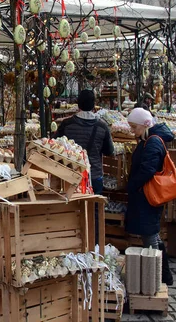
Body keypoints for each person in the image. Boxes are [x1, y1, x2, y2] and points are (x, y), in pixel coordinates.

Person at [55, 90, 114, 245]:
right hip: (94, 176)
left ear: (77, 104)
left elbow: (55, 145)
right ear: (94, 105)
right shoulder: (102, 127)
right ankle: (94, 245)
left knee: (72, 209)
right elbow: (110, 151)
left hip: (69, 175)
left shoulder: (66, 125)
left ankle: (73, 245)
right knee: (94, 211)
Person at [125, 107, 174, 286]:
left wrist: (132, 185)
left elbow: (148, 169)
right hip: (146, 195)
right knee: (152, 234)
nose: (132, 131)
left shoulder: (152, 142)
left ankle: (156, 275)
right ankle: (164, 275)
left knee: (150, 236)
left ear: (144, 125)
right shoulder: (148, 139)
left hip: (148, 196)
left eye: (134, 127)